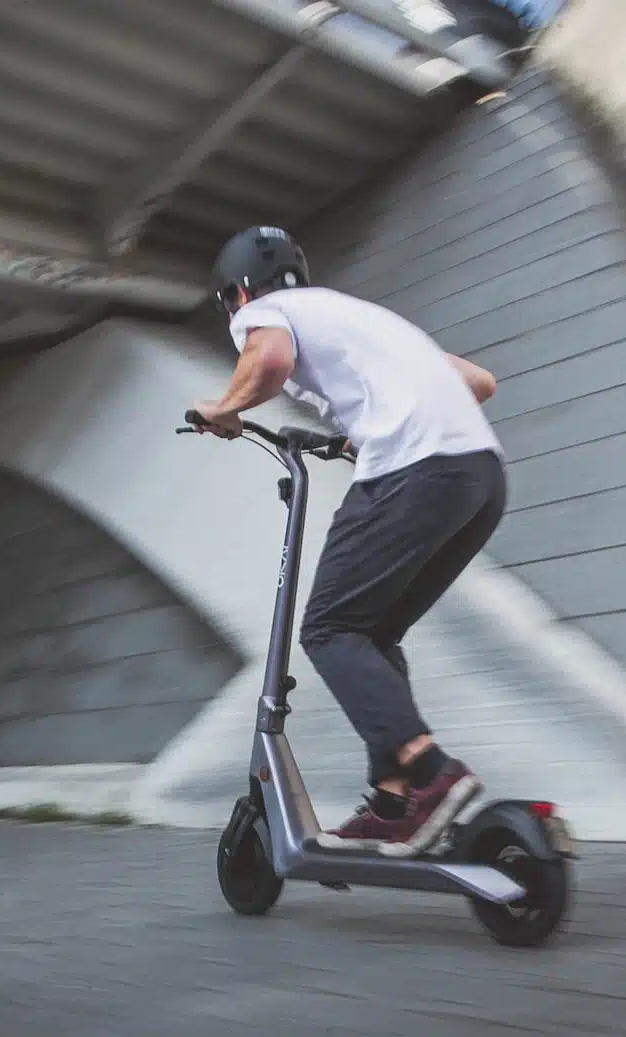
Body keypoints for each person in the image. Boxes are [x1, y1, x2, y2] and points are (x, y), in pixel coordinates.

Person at [192, 225, 505, 856]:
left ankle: (429, 771)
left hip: (415, 471)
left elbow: (271, 360)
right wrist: (357, 433)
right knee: (372, 633)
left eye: (233, 304)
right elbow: (478, 383)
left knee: (329, 630)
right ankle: (394, 802)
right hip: (479, 478)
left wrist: (225, 408)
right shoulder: (357, 316)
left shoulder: (266, 313)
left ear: (238, 292)